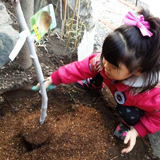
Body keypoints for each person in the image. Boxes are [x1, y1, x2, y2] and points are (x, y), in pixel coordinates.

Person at [36, 8, 160, 153]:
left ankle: (126, 124)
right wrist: (54, 78)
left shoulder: (149, 94)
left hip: (130, 102)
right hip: (116, 83)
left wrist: (138, 130)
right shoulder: (107, 63)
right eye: (105, 57)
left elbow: (156, 116)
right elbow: (80, 68)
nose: (106, 65)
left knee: (127, 111)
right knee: (96, 67)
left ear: (137, 71)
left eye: (113, 66)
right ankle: (95, 84)